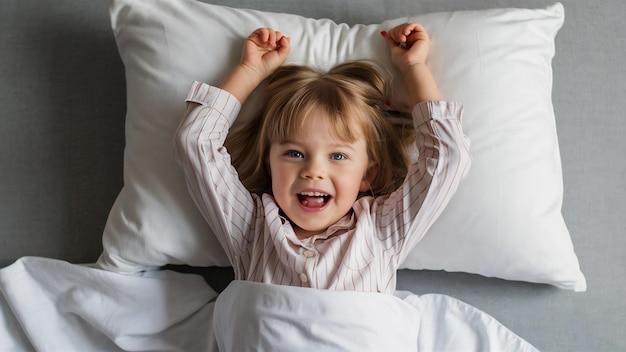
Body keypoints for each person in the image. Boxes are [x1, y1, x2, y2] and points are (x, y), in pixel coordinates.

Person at [173, 23, 471, 294]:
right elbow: (196, 142)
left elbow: (447, 158)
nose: (313, 170)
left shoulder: (381, 231)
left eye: (338, 155)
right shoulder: (251, 230)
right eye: (294, 153)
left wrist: (413, 68)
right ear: (269, 164)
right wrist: (249, 71)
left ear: (368, 175)